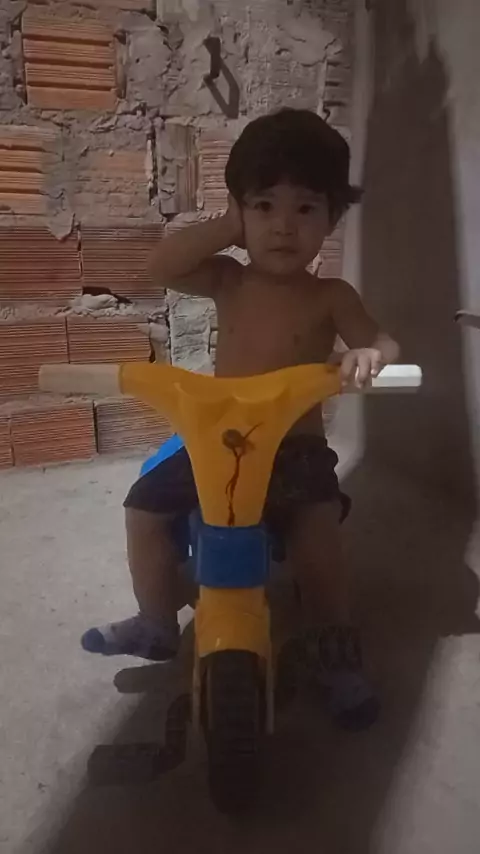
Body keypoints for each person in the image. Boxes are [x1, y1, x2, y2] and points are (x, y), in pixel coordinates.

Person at [82, 108, 399, 730]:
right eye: (263, 206)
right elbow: (162, 267)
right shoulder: (228, 279)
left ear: (333, 217)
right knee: (143, 509)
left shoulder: (331, 296)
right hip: (217, 442)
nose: (283, 225)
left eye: (305, 208)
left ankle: (333, 649)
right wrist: (226, 225)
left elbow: (383, 341)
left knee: (317, 537)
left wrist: (369, 356)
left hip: (295, 452)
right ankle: (156, 620)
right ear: (241, 212)